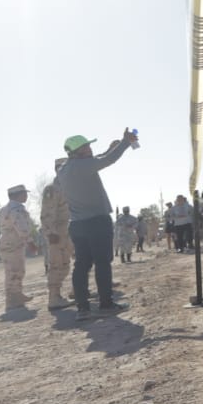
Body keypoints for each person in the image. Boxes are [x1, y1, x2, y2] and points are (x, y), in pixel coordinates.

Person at [60, 131, 135, 320]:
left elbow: (99, 159)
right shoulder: (83, 166)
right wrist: (125, 142)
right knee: (102, 263)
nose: (90, 148)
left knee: (82, 265)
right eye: (87, 146)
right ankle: (106, 304)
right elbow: (108, 160)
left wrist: (110, 148)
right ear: (78, 151)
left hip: (77, 225)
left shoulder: (63, 170)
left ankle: (83, 308)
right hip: (96, 222)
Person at [41, 160, 74, 310]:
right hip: (57, 234)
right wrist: (51, 233)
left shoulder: (70, 186)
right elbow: (47, 214)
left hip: (70, 232)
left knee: (66, 265)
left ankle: (71, 292)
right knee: (57, 265)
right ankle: (54, 299)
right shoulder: (52, 189)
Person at [0, 185, 34, 311]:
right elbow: (21, 227)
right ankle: (14, 298)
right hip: (12, 244)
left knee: (12, 271)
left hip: (7, 243)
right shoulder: (16, 209)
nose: (26, 196)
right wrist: (30, 242)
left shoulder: (5, 208)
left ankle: (15, 297)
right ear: (17, 195)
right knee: (15, 271)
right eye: (24, 193)